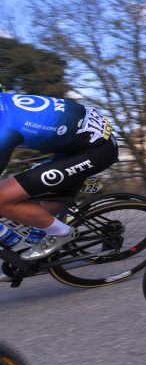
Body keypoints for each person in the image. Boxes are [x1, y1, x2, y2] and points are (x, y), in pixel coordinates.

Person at [0, 92, 118, 260]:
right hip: (77, 143)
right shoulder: (3, 101)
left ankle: (62, 233)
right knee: (40, 207)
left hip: (96, 150)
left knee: (2, 197)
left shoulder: (4, 129)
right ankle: (51, 222)